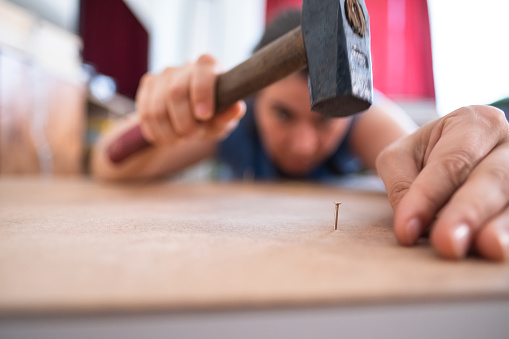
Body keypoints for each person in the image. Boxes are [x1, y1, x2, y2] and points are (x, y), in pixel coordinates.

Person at [91, 10, 509, 262]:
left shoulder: (368, 115)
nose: (304, 145)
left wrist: (470, 167)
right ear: (256, 98)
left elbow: (432, 173)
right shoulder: (229, 115)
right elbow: (107, 164)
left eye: (325, 119)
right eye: (283, 114)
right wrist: (165, 113)